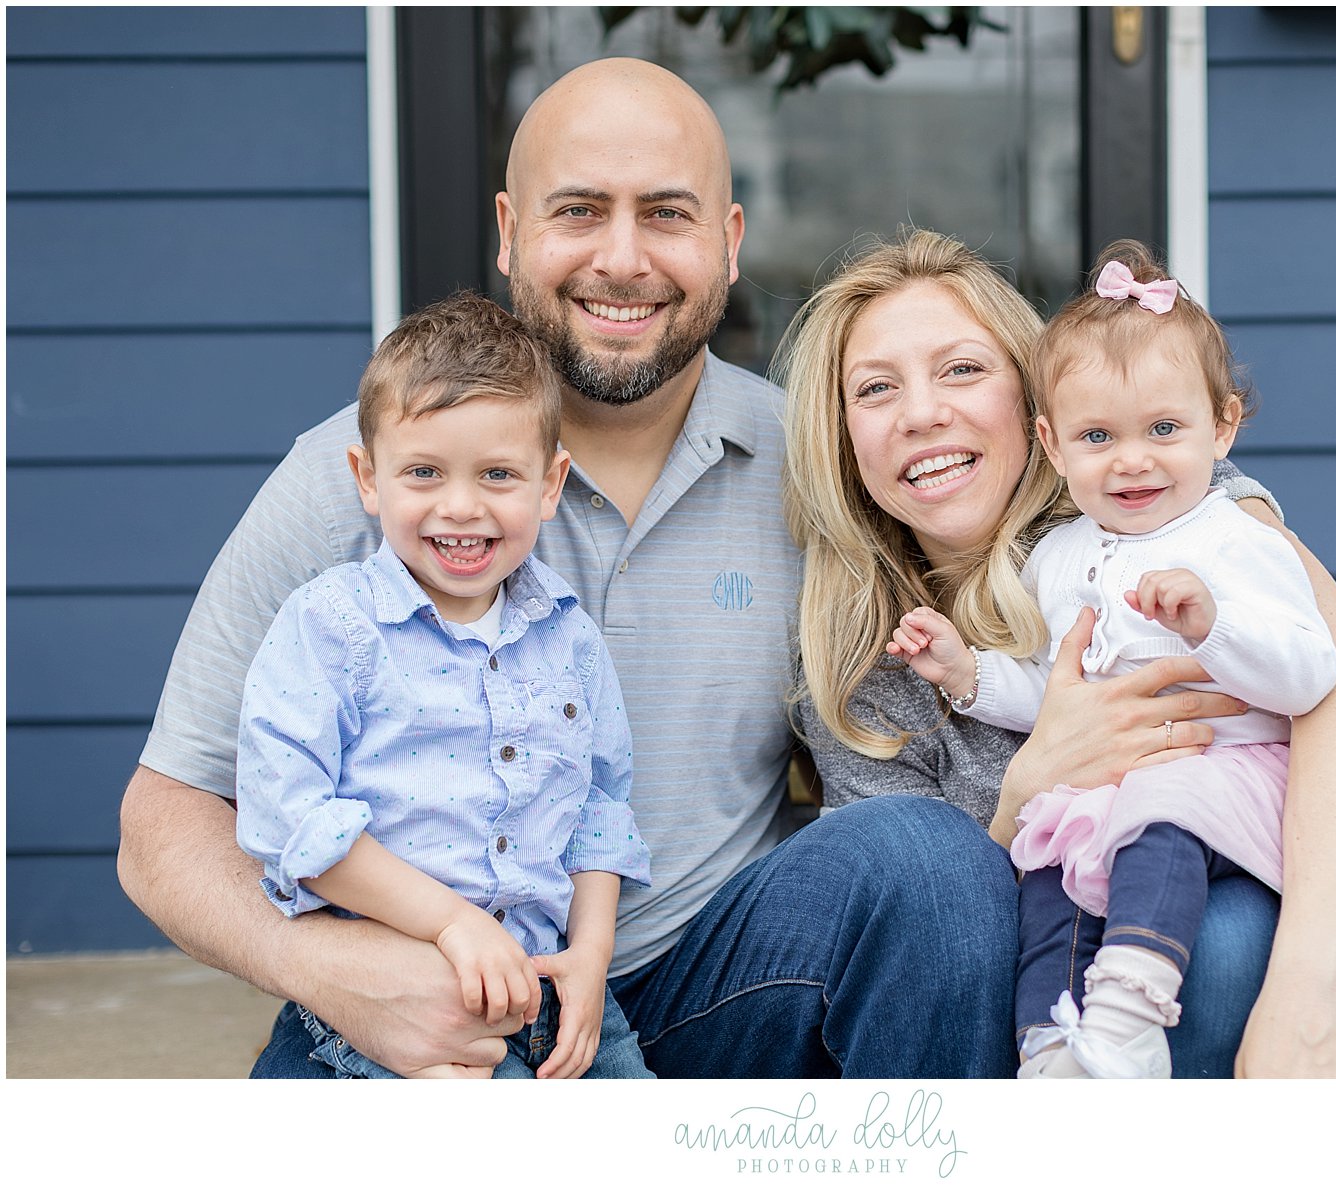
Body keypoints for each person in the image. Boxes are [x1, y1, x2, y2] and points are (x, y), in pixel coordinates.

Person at [119, 58, 1016, 1078]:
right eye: (580, 210)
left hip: (710, 985)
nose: (621, 259)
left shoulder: (813, 461)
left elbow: (1050, 527)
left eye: (667, 214)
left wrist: (1225, 516)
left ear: (728, 243)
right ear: (509, 232)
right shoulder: (361, 475)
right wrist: (327, 966)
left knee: (930, 865)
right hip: (423, 1001)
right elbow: (162, 825)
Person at [779, 228, 1336, 1077]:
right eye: (876, 388)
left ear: (1034, 408)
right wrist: (1028, 783)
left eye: (960, 368)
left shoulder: (1168, 515)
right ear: (839, 434)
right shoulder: (862, 660)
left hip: (1230, 841)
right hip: (1019, 983)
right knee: (1219, 939)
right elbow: (913, 942)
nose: (922, 412)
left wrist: (1306, 996)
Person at [234, 293, 653, 1079]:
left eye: (497, 473)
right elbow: (292, 822)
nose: (460, 506)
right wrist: (453, 925)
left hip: (553, 1002)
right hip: (386, 1011)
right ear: (368, 476)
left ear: (550, 482)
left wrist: (591, 954)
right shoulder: (331, 628)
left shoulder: (569, 638)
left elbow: (600, 809)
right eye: (423, 472)